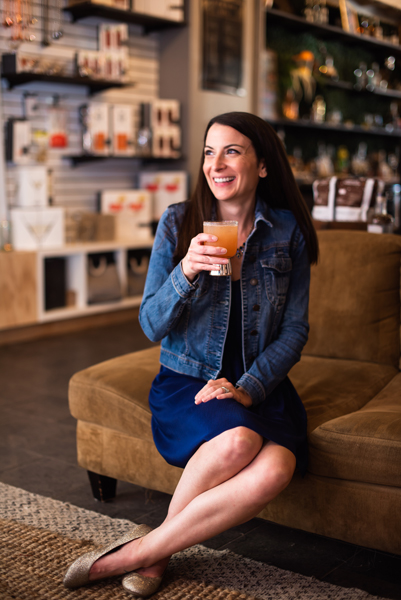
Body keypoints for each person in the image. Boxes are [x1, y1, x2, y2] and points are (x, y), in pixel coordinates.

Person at [63, 111, 319, 597]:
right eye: (208, 151)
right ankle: (148, 552)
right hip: (187, 383)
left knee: (279, 466)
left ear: (262, 165)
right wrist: (186, 271)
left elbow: (295, 330)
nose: (215, 164)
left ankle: (145, 551)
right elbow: (150, 324)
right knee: (238, 443)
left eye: (232, 151)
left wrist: (247, 388)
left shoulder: (289, 232)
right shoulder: (179, 222)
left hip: (260, 388)